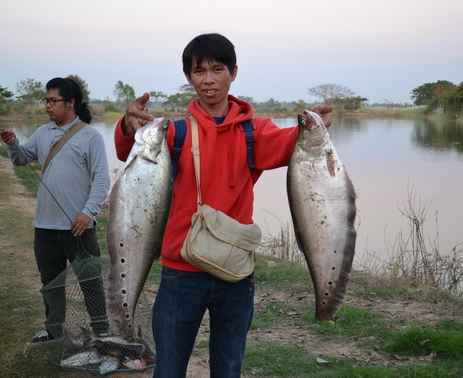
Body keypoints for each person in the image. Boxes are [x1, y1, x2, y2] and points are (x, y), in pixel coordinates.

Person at [114, 33, 331, 377]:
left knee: (228, 368)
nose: (209, 79)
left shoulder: (254, 132)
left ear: (234, 72)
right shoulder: (175, 132)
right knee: (168, 368)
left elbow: (292, 143)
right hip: (180, 271)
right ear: (189, 78)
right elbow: (130, 149)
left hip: (235, 272)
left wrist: (312, 127)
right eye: (199, 71)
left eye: (218, 69)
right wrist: (128, 124)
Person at [0, 77, 111, 344]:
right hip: (45, 225)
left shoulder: (90, 136)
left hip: (79, 226)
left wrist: (88, 213)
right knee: (51, 283)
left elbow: (102, 179)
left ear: (70, 103)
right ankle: (53, 331)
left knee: (90, 283)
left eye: (53, 101)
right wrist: (13, 143)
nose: (48, 106)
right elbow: (21, 159)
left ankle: (102, 332)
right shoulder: (42, 132)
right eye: (46, 101)